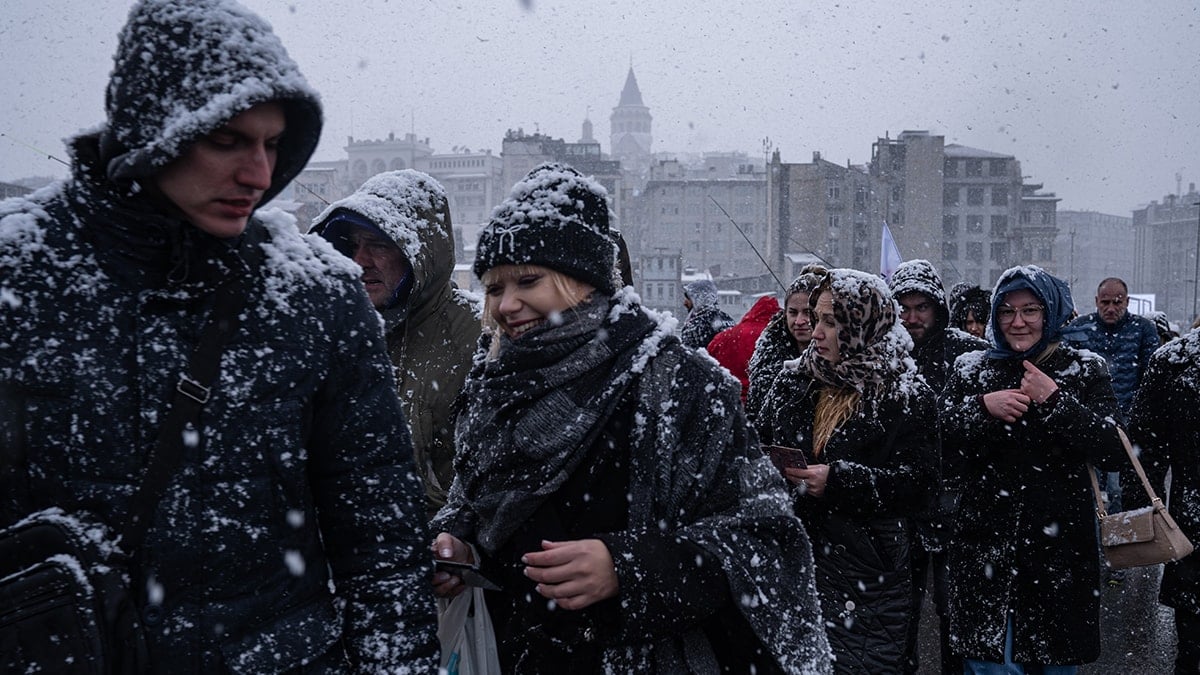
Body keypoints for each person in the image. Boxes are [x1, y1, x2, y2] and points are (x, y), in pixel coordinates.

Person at [0, 0, 437, 670]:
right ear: (154, 131)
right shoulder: (20, 277)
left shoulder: (317, 295)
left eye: (272, 144)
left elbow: (380, 537)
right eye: (228, 140)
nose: (260, 175)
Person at [429, 163, 832, 673]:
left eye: (528, 280)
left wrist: (631, 568)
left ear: (584, 279)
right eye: (493, 287)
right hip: (514, 653)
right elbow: (477, 505)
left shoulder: (679, 383)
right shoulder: (494, 384)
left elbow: (767, 540)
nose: (507, 305)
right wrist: (460, 547)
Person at [940, 265, 1125, 673]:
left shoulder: (1083, 369)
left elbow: (1115, 449)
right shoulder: (972, 370)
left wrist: (1056, 400)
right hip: (986, 546)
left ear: (1051, 312)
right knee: (990, 663)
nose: (1018, 322)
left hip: (1059, 552)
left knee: (1055, 661)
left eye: (1030, 310)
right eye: (1006, 311)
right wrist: (981, 408)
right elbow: (936, 442)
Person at [757, 268, 938, 673]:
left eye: (830, 322)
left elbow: (921, 485)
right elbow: (758, 444)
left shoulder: (904, 393)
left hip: (867, 569)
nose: (815, 332)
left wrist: (838, 482)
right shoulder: (793, 380)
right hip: (797, 559)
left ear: (861, 324)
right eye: (816, 319)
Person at [313, 169, 479, 519]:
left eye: (378, 244)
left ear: (420, 252)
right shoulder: (335, 331)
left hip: (449, 553)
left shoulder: (477, 334)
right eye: (353, 245)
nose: (361, 261)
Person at [889, 259, 987, 675]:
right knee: (899, 611)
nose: (912, 318)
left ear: (938, 309)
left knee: (954, 611)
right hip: (900, 503)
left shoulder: (970, 354)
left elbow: (984, 425)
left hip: (958, 502)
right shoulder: (884, 354)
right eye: (904, 308)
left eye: (921, 308)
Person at [1126, 328, 1200, 674]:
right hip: (1193, 523)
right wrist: (1142, 518)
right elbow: (1145, 449)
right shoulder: (1174, 361)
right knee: (1191, 645)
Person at [1062, 278, 1158, 515]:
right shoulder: (1081, 329)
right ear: (1097, 301)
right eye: (1105, 302)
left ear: (1127, 301)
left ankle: (1114, 540)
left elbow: (1150, 377)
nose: (1111, 308)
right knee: (1088, 486)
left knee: (1116, 490)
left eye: (1117, 302)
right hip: (1086, 418)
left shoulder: (1143, 329)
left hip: (1125, 419)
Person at [746, 264, 827, 422]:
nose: (799, 321)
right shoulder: (768, 359)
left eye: (807, 312)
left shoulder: (837, 360)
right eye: (793, 312)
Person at [706, 294, 780, 402]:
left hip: (726, 399)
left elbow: (708, 364)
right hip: (762, 402)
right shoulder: (776, 338)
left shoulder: (724, 337)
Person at [680, 279, 734, 349]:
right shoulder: (727, 319)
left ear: (699, 299)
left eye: (689, 299)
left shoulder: (697, 325)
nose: (685, 303)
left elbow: (689, 356)